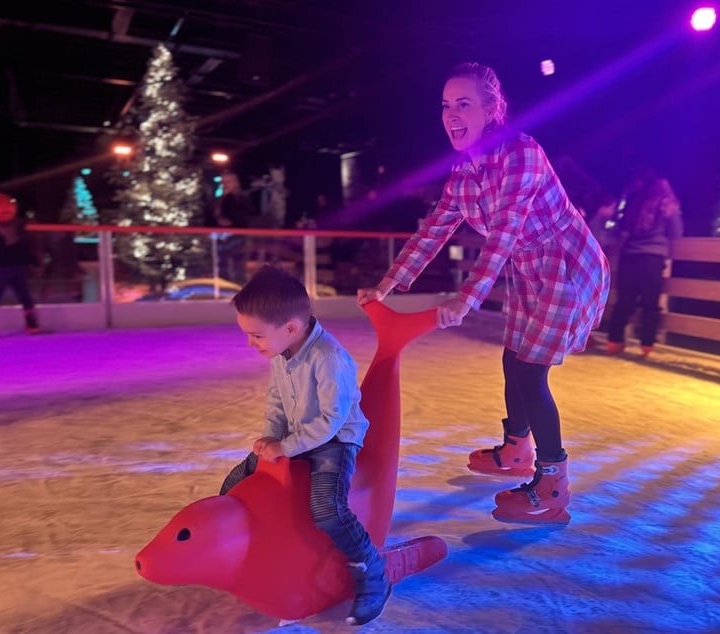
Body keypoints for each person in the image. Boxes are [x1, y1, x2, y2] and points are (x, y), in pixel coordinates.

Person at [357, 62, 610, 524]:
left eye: (464, 104)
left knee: (531, 372)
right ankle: (517, 449)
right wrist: (388, 282)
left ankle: (553, 481)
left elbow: (504, 234)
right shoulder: (465, 169)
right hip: (527, 267)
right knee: (513, 358)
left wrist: (466, 299)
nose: (451, 114)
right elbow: (435, 228)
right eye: (446, 105)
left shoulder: (522, 154)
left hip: (565, 264)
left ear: (492, 108)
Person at [220, 265, 390, 625]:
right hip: (297, 436)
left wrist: (287, 447)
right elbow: (277, 402)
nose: (251, 344)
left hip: (335, 441)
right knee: (236, 483)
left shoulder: (329, 358)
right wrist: (270, 440)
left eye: (256, 336)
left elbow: (330, 422)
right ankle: (245, 551)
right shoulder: (282, 353)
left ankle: (373, 571)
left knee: (326, 509)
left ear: (291, 328)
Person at [605, 169, 683, 358]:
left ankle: (614, 340)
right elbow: (675, 233)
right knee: (650, 302)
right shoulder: (666, 207)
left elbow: (620, 228)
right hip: (653, 258)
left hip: (629, 255)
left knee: (624, 301)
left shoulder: (633, 201)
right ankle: (647, 344)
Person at [0, 192, 40, 336]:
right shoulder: (14, 224)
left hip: (9, 266)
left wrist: (33, 260)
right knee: (12, 294)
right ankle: (30, 323)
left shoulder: (16, 224)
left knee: (8, 295)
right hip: (9, 265)